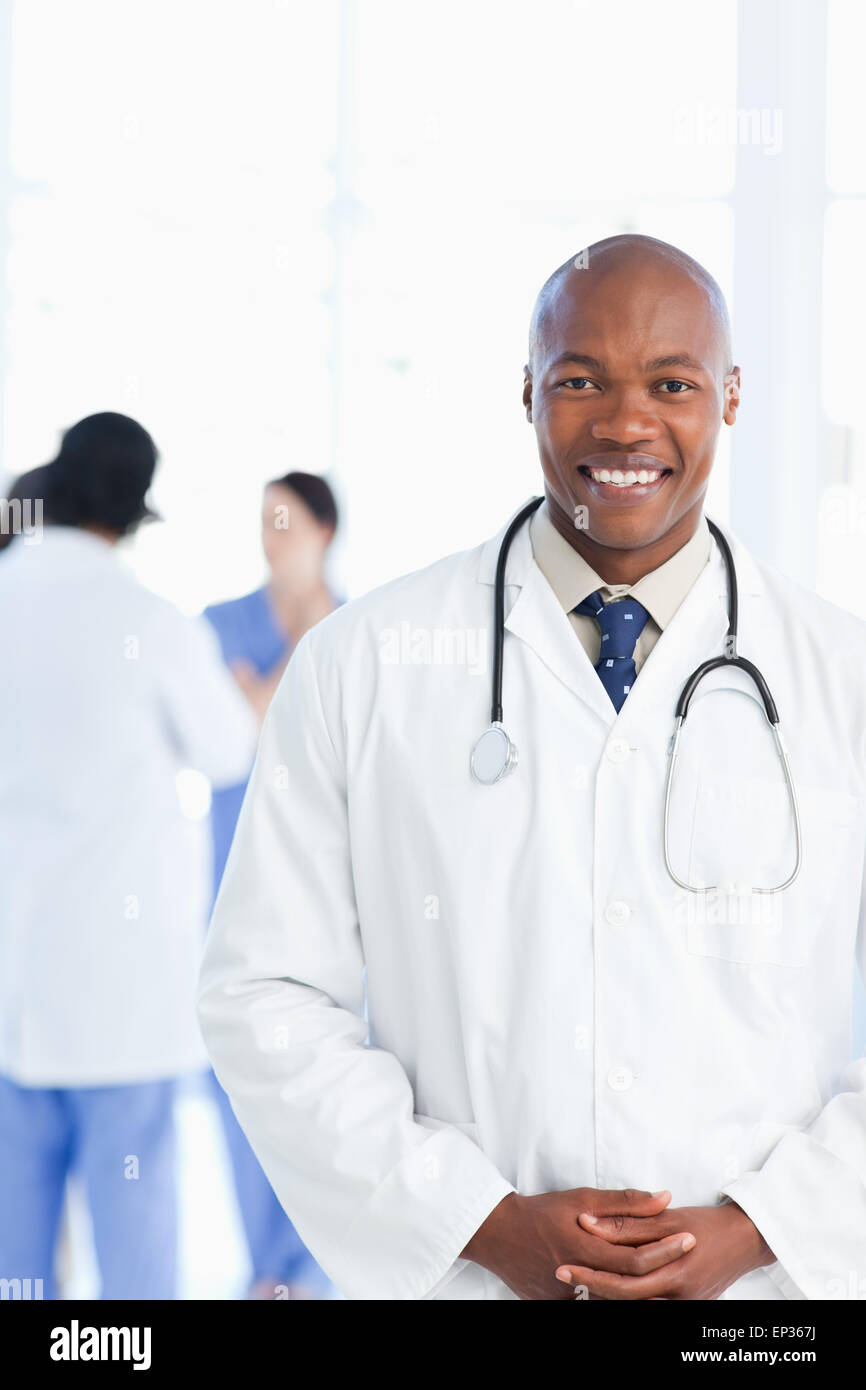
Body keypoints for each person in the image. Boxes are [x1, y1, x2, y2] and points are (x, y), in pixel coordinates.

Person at [198, 236, 866, 1300]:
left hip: (756, 1311)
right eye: (578, 380)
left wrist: (758, 1230)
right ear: (524, 394)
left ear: (730, 397)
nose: (623, 423)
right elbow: (265, 992)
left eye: (671, 383)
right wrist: (477, 1222)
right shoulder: (363, 664)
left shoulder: (839, 676)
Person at [0, 412, 257, 1299]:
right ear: (128, 515)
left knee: (15, 1257)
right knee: (135, 1260)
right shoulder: (147, 620)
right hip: (117, 992)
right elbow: (228, 750)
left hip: (12, 990)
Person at [203, 471, 340, 1299]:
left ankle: (314, 1266)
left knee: (327, 1082)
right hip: (232, 887)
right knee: (244, 1078)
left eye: (284, 523)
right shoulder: (219, 625)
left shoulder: (361, 627)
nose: (270, 537)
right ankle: (265, 1271)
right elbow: (246, 730)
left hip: (333, 894)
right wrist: (306, 645)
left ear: (325, 531)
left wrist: (282, 671)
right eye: (262, 523)